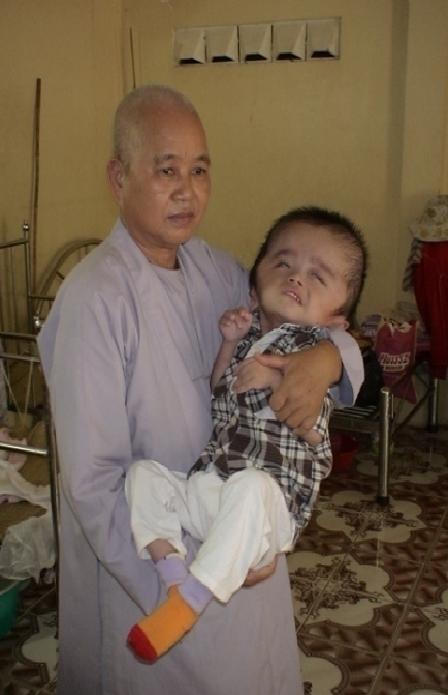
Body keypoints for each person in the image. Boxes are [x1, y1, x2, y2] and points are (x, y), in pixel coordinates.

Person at [37, 85, 363, 695]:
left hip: (235, 535)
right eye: (167, 170)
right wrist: (178, 589)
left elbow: (307, 318)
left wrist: (328, 359)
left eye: (200, 170)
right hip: (151, 571)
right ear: (118, 177)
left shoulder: (217, 269)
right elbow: (94, 484)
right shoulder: (94, 299)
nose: (187, 190)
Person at [125, 206, 367, 663]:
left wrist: (278, 381)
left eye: (317, 276)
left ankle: (186, 605)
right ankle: (172, 571)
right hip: (213, 484)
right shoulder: (250, 334)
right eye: (283, 262)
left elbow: (314, 436)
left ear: (336, 321)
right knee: (144, 476)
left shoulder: (315, 352)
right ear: (254, 288)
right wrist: (230, 344)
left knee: (252, 488)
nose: (296, 277)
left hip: (270, 503)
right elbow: (220, 389)